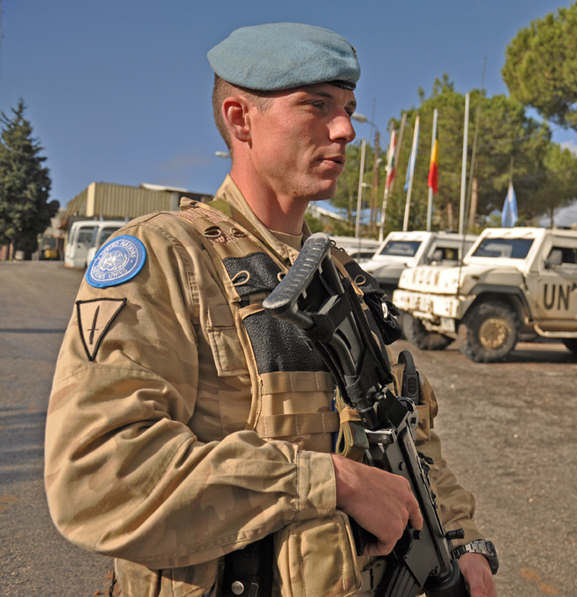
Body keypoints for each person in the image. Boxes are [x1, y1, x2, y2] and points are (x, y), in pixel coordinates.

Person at [45, 22, 498, 597]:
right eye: (316, 106)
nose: (345, 129)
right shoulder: (167, 257)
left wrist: (463, 540)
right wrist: (327, 481)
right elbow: (96, 476)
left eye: (350, 109)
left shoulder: (342, 277)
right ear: (240, 120)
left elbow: (409, 432)